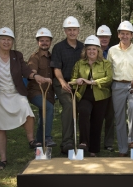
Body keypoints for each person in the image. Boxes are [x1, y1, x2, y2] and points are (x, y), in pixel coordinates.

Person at [0, 27, 51, 170]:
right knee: (0, 128)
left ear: (12, 42)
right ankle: (3, 159)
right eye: (3, 39)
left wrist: (35, 76)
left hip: (16, 93)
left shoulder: (16, 55)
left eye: (9, 40)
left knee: (28, 114)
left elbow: (25, 71)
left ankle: (31, 141)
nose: (6, 42)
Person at [107, 20, 133, 157]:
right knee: (119, 117)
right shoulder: (112, 51)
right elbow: (108, 70)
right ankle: (123, 148)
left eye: (127, 34)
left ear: (132, 35)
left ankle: (132, 140)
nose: (125, 36)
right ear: (118, 35)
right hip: (117, 85)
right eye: (122, 33)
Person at [71, 35, 112, 157]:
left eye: (94, 49)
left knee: (97, 121)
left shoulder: (106, 64)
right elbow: (73, 79)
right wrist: (76, 81)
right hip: (84, 95)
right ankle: (84, 142)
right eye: (89, 49)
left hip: (101, 96)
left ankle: (93, 149)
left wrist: (93, 82)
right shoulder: (79, 64)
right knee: (83, 112)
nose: (91, 51)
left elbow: (109, 79)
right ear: (85, 51)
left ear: (98, 50)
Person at [50, 16, 84, 154]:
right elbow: (56, 68)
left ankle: (83, 141)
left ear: (78, 31)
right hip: (63, 83)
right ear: (65, 31)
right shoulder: (58, 47)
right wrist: (63, 82)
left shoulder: (83, 47)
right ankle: (67, 142)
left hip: (80, 84)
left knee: (84, 107)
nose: (72, 32)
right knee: (69, 106)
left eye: (74, 30)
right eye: (69, 30)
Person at [27, 28, 56, 147]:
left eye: (47, 40)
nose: (44, 43)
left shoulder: (53, 57)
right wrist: (41, 78)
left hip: (48, 93)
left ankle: (39, 145)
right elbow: (31, 72)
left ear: (50, 42)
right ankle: (47, 138)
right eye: (42, 40)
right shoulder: (34, 57)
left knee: (42, 118)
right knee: (48, 109)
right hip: (35, 92)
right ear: (38, 42)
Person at [97, 25, 115, 152]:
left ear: (109, 38)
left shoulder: (114, 51)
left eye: (106, 37)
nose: (104, 39)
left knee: (110, 116)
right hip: (97, 88)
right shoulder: (92, 51)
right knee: (97, 116)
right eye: (101, 36)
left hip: (112, 87)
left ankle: (108, 143)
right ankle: (95, 141)